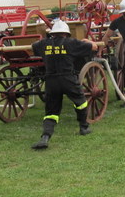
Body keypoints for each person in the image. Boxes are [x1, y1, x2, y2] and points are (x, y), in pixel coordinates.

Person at [30, 20, 98, 150]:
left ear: (52, 34)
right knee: (81, 102)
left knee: (51, 112)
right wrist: (86, 40)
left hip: (51, 81)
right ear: (66, 34)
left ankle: (45, 138)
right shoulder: (71, 43)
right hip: (68, 79)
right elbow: (94, 47)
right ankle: (84, 127)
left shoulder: (44, 43)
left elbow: (33, 46)